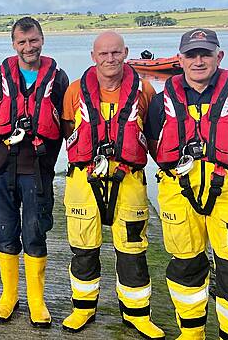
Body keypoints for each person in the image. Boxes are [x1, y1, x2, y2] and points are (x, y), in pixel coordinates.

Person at [146, 28, 228, 340]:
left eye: (205, 53)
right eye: (191, 54)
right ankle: (192, 333)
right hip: (178, 195)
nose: (198, 60)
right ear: (180, 59)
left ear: (219, 56)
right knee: (185, 266)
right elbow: (153, 145)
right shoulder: (161, 102)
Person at [61, 31, 164, 339]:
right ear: (93, 56)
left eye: (116, 53)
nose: (110, 59)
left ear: (126, 53)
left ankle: (136, 315)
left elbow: (156, 134)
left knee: (133, 251)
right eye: (103, 54)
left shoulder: (144, 90)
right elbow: (69, 128)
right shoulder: (75, 91)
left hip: (130, 179)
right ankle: (83, 309)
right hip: (84, 178)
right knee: (83, 249)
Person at [0, 17, 68, 327]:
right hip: (0, 166)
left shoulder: (59, 79)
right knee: (5, 232)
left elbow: (64, 125)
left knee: (35, 233)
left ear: (42, 40)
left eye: (33, 40)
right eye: (21, 42)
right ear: (13, 45)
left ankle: (36, 299)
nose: (28, 47)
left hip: (37, 170)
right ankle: (9, 296)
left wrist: (48, 161)